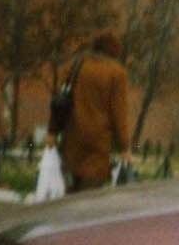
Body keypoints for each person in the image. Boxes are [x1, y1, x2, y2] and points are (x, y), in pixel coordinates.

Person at [48, 31, 132, 193]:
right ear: (115, 51)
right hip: (97, 146)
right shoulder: (117, 73)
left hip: (72, 140)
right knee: (88, 198)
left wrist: (52, 131)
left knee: (70, 193)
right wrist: (125, 147)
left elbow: (60, 101)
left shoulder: (75, 66)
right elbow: (119, 114)